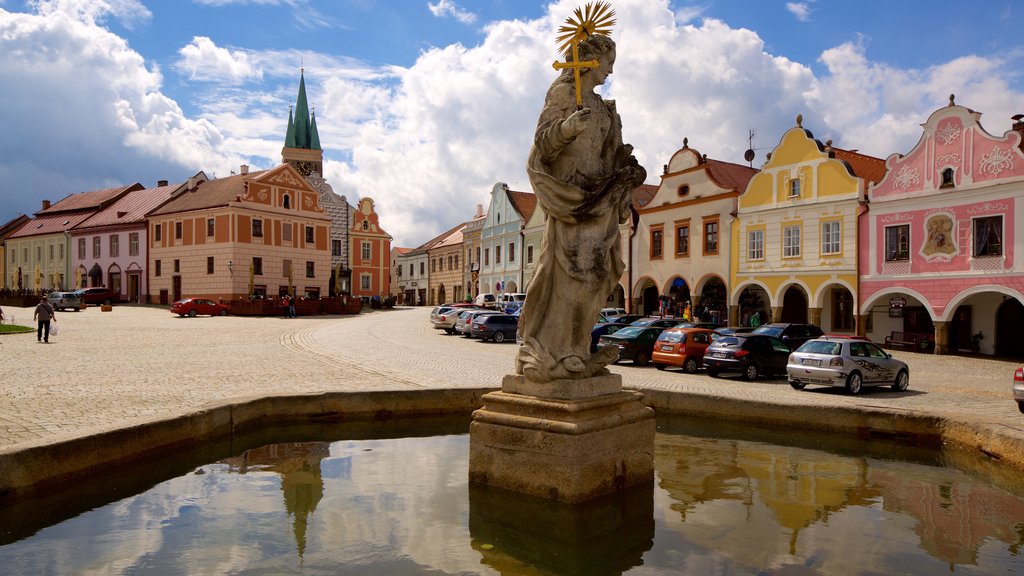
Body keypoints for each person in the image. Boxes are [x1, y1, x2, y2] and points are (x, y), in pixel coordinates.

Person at [516, 33, 646, 383]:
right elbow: (542, 146)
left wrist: (627, 167)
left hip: (601, 196)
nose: (610, 70)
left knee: (600, 275)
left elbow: (612, 151)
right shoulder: (562, 95)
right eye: (608, 63)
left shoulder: (604, 107)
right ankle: (559, 350)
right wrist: (565, 129)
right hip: (572, 197)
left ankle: (578, 346)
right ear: (591, 61)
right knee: (577, 273)